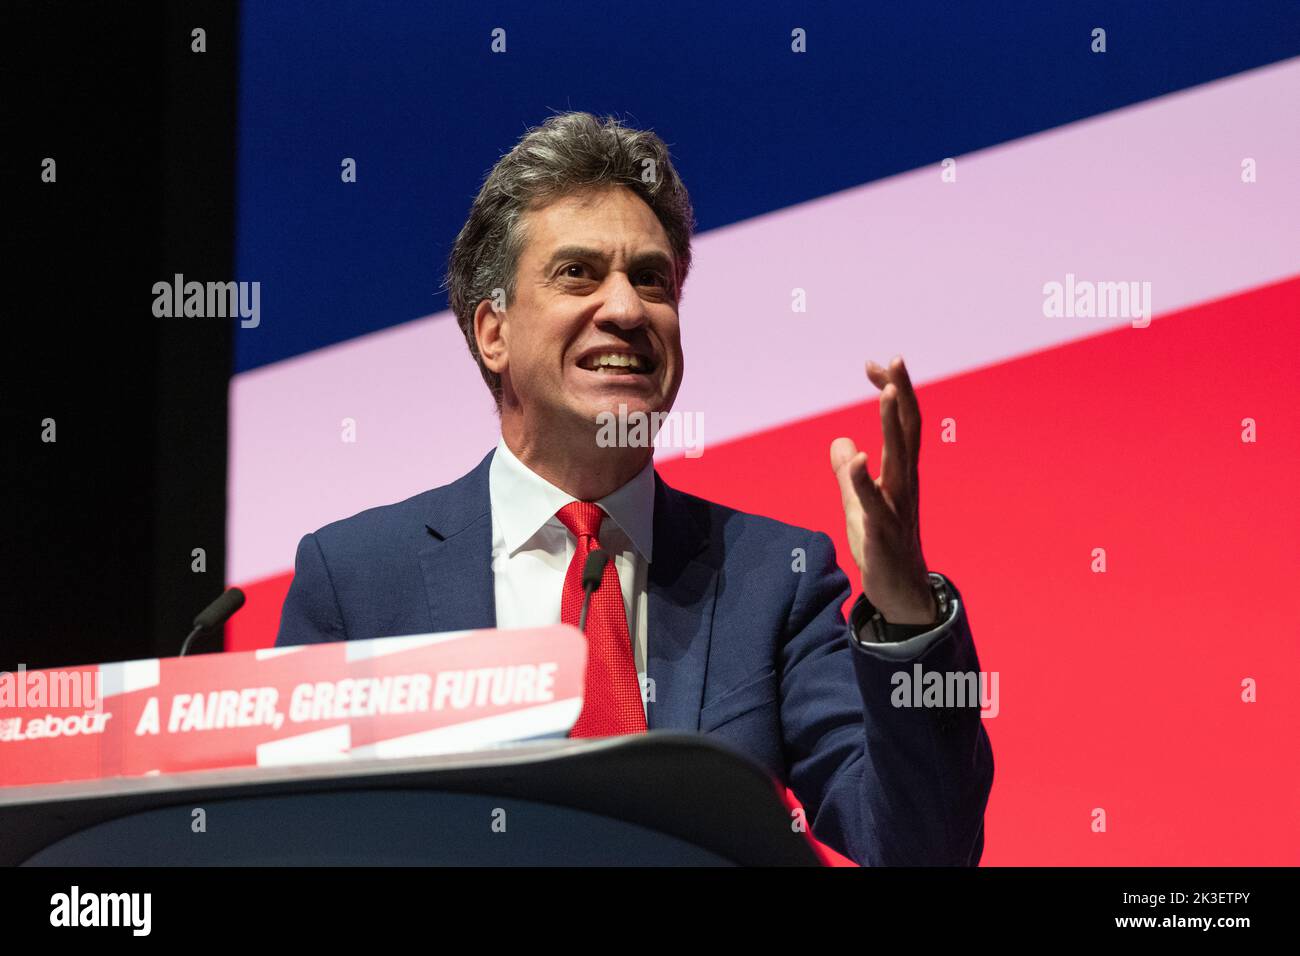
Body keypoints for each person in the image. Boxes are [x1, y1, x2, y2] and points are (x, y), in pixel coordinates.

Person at [276, 112, 994, 865]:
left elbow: (919, 846)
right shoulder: (357, 580)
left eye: (651, 280)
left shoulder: (773, 580)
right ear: (493, 331)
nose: (626, 310)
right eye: (577, 273)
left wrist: (910, 616)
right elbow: (294, 843)